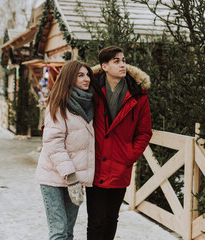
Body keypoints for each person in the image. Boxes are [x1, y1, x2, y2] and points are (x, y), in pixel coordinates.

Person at [86, 46, 153, 240]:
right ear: (104, 66)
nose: (123, 64)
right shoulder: (92, 90)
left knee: (110, 219)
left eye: (123, 60)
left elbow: (144, 131)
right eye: (116, 61)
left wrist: (130, 155)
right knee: (96, 220)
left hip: (120, 165)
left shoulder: (138, 94)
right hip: (96, 164)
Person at [35, 60, 95, 240]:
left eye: (88, 75)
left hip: (75, 179)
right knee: (59, 231)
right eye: (81, 75)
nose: (87, 79)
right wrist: (71, 175)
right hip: (53, 177)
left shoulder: (90, 106)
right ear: (70, 78)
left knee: (68, 232)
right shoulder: (58, 105)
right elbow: (53, 143)